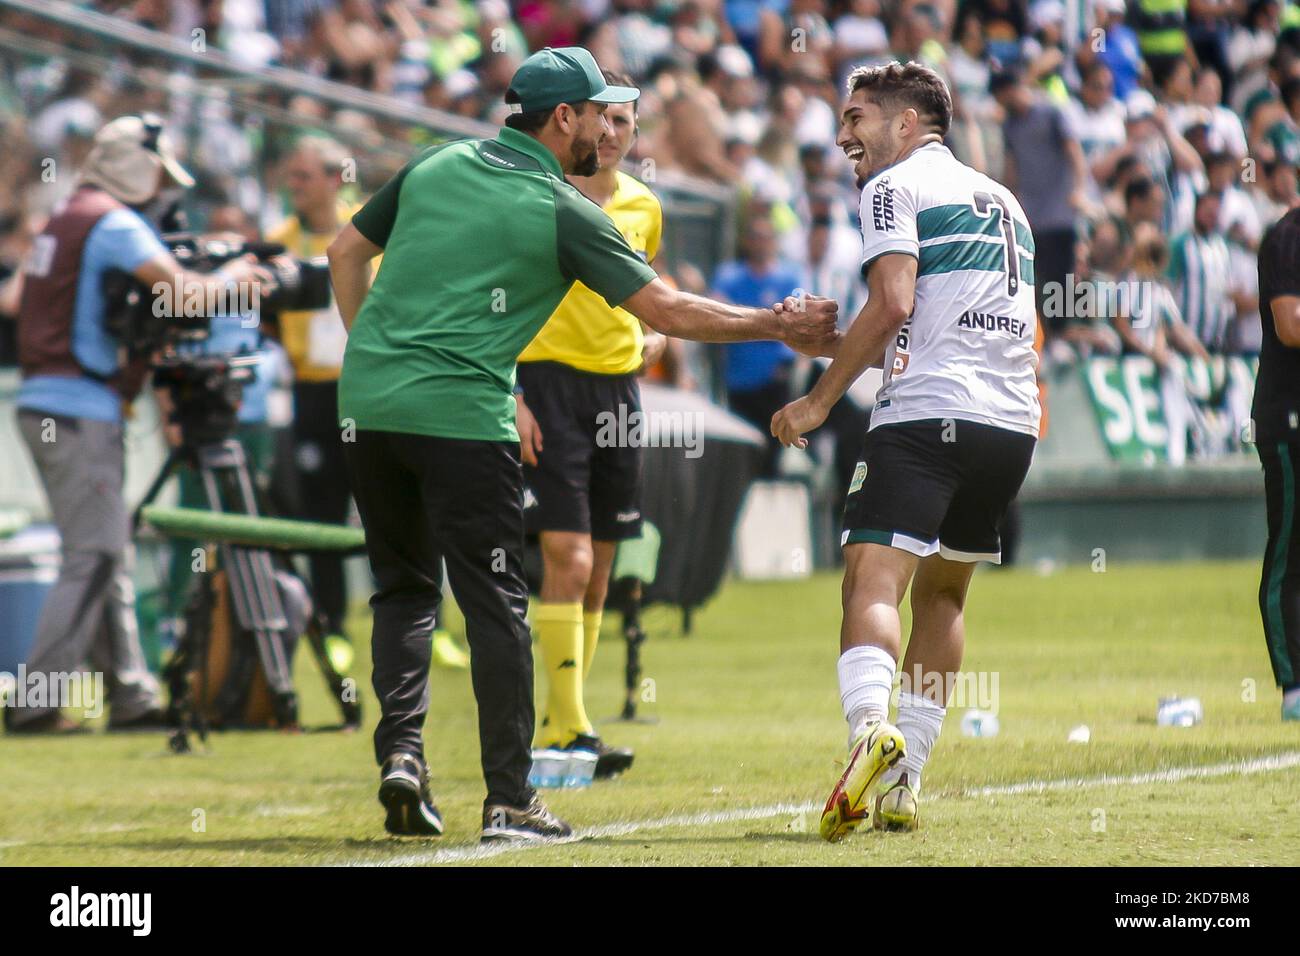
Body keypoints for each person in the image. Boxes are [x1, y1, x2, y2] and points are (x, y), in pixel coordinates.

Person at [327, 47, 838, 843]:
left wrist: (376, 354)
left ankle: (401, 757)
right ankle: (509, 801)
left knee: (403, 592)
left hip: (368, 408)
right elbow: (666, 313)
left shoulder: (435, 165)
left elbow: (343, 253)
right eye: (600, 113)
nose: (610, 128)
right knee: (497, 605)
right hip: (462, 417)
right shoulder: (563, 209)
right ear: (563, 119)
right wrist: (776, 324)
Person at [770, 61, 1040, 838]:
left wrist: (819, 400)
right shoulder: (1006, 200)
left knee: (871, 581)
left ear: (907, 124)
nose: (844, 133)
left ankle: (868, 735)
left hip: (928, 413)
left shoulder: (891, 187)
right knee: (946, 595)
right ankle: (904, 781)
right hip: (1010, 424)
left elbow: (893, 301)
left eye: (857, 117)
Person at [7, 115, 270, 734]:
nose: (162, 193)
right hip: (77, 407)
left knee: (104, 551)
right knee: (95, 554)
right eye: (158, 175)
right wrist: (235, 280)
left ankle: (128, 694)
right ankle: (35, 702)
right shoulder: (113, 221)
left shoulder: (69, 213)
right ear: (140, 164)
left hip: (54, 403)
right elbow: (183, 295)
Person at [513, 70, 662, 777]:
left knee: (601, 569)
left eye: (623, 124)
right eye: (600, 119)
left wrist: (651, 342)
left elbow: (645, 300)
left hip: (619, 396)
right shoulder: (539, 196)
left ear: (634, 134)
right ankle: (564, 724)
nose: (609, 134)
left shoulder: (642, 206)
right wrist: (508, 390)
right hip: (546, 388)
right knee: (567, 559)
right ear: (577, 123)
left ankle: (562, 721)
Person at [267, 136, 361, 666]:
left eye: (304, 176)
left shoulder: (369, 230)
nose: (294, 187)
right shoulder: (278, 241)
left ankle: (430, 624)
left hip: (369, 384)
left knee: (395, 503)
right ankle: (333, 628)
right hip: (313, 392)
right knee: (322, 512)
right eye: (292, 177)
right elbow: (264, 316)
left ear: (335, 178)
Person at [1252, 194, 1300, 721]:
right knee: (1290, 552)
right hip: (1288, 419)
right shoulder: (1288, 238)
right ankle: (1293, 685)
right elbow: (1290, 324)